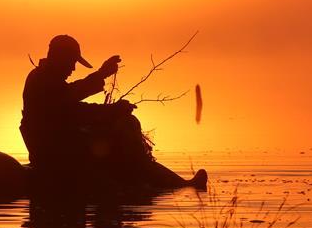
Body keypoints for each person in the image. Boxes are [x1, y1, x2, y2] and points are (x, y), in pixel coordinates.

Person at [20, 35, 207, 189]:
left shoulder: (47, 79)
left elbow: (70, 104)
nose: (73, 68)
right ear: (59, 57)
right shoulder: (42, 81)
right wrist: (110, 103)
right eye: (71, 61)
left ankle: (181, 184)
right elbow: (71, 106)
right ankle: (183, 185)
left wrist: (111, 108)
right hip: (55, 152)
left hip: (60, 145)